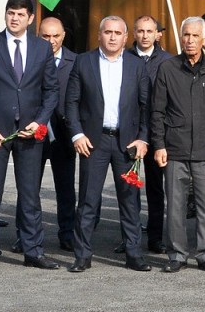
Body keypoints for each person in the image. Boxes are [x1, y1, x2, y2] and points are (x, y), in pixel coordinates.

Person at [0, 0, 60, 272]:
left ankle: (33, 250)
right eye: (11, 12)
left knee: (30, 193)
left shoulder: (42, 48)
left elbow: (51, 90)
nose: (15, 18)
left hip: (29, 132)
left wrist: (41, 121)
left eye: (21, 14)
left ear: (31, 19)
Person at [64, 16, 152, 273]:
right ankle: (82, 255)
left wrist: (144, 137)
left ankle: (134, 254)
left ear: (126, 37)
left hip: (128, 143)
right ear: (99, 34)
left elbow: (147, 105)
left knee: (129, 200)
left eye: (118, 33)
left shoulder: (137, 65)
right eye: (107, 32)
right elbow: (71, 102)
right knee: (89, 200)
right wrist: (77, 135)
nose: (112, 37)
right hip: (94, 140)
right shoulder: (83, 62)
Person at [150, 16, 205, 273]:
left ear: (204, 38)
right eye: (186, 35)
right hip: (175, 148)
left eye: (195, 36)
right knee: (175, 206)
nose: (190, 40)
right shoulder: (167, 68)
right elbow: (157, 112)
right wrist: (159, 144)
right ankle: (177, 255)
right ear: (181, 37)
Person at [128, 16, 173, 255]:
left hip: (158, 133)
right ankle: (130, 238)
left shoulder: (168, 61)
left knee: (156, 188)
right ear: (134, 33)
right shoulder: (124, 57)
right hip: (130, 132)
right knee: (129, 188)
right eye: (140, 31)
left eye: (149, 31)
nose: (145, 35)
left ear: (158, 34)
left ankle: (156, 238)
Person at [38, 16, 78, 253]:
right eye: (46, 36)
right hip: (35, 132)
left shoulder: (76, 61)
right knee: (30, 187)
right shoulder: (31, 58)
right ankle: (27, 236)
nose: (51, 41)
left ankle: (67, 234)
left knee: (65, 188)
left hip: (63, 133)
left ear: (64, 35)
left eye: (56, 36)